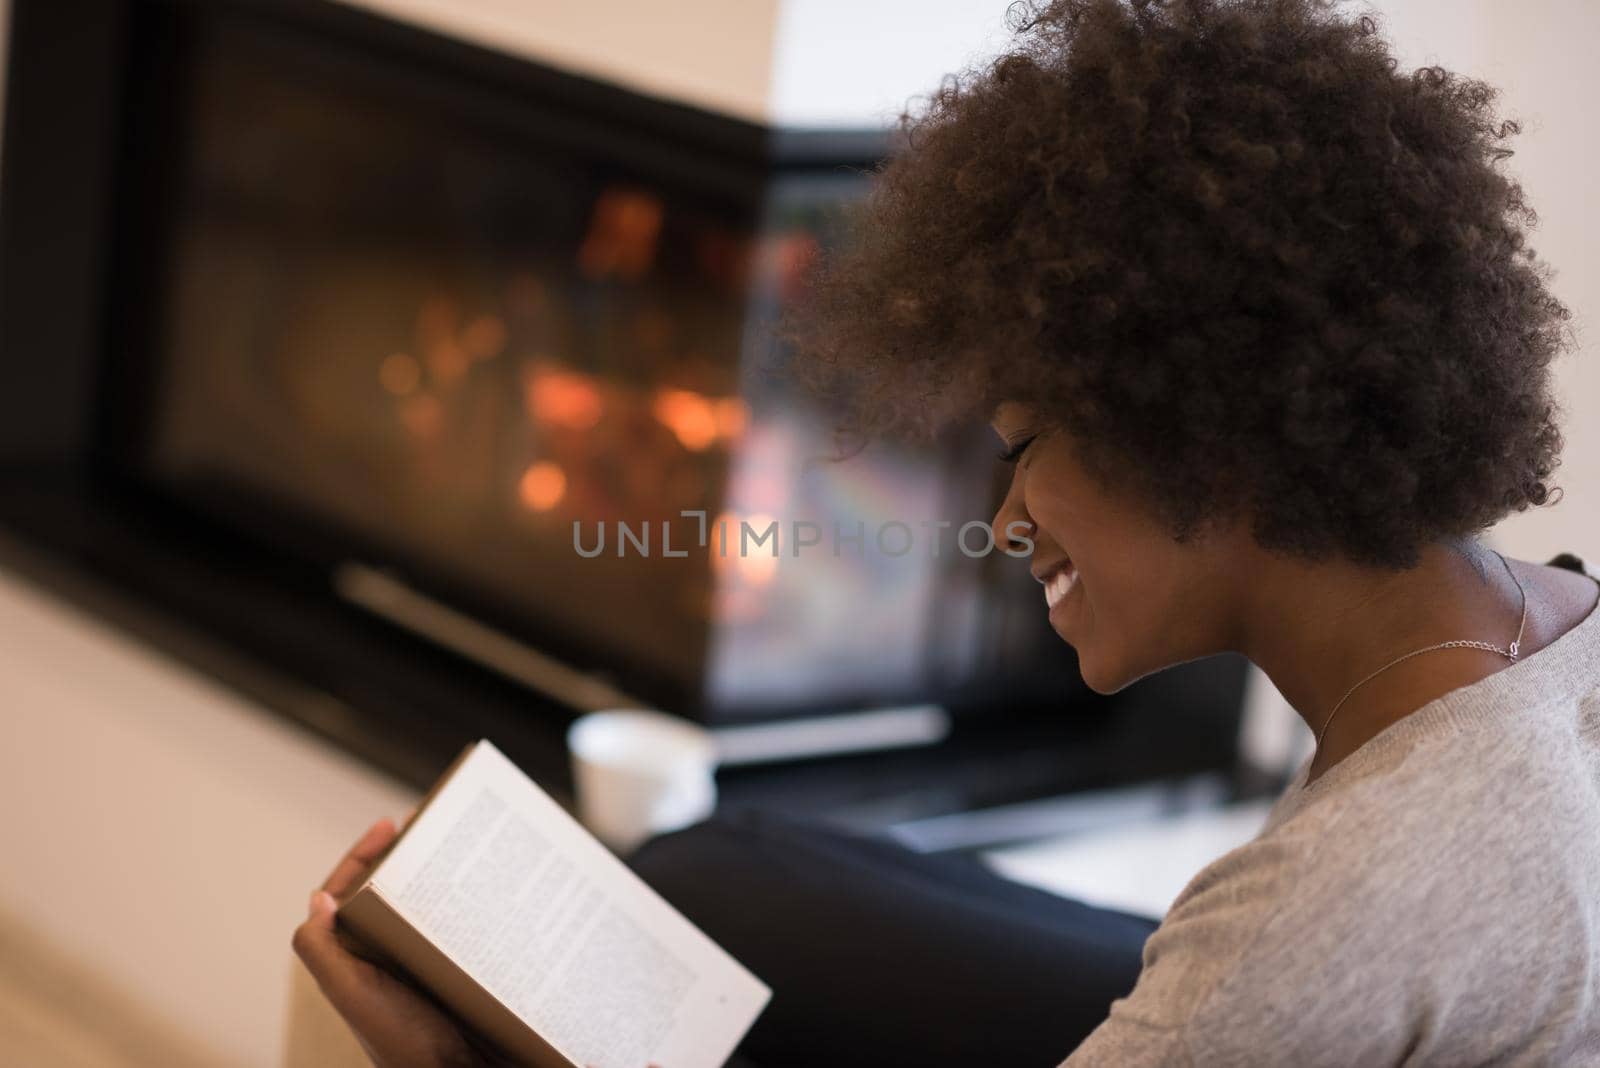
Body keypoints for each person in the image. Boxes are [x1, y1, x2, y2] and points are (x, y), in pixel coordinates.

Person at [295, 0, 1600, 1063]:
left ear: (1204, 429)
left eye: (1027, 443)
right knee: (720, 874)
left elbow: (1314, 954)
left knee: (709, 931)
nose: (1005, 517)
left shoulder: (1309, 938)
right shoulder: (1550, 631)